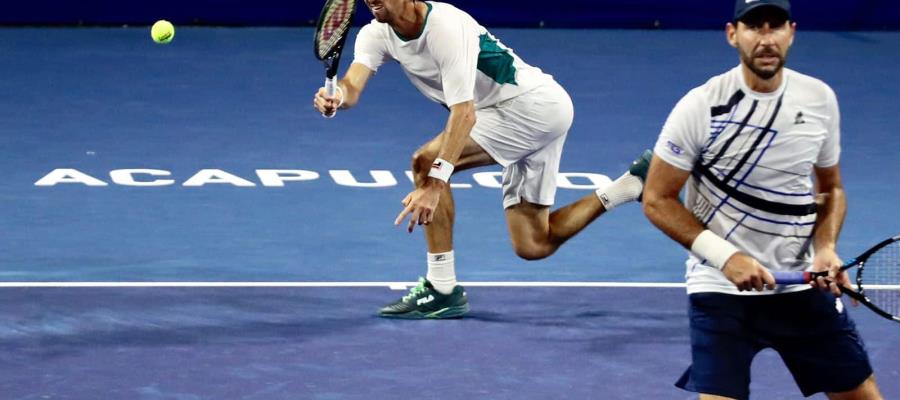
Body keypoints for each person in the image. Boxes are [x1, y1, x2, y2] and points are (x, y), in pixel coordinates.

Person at [313, 0, 650, 319]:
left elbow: (464, 114)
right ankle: (630, 185)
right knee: (533, 244)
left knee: (426, 162)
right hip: (522, 112)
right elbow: (352, 85)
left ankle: (442, 288)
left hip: (532, 109)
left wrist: (435, 184)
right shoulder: (376, 33)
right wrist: (337, 97)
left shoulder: (444, 26)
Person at [642, 1, 883, 398]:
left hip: (802, 287)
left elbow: (832, 188)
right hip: (720, 289)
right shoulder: (701, 105)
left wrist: (825, 248)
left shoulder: (818, 99)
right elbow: (657, 199)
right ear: (732, 34)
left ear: (791, 32)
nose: (766, 38)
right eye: (754, 27)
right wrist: (727, 257)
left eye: (775, 27)